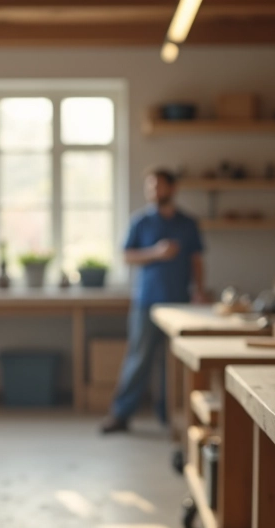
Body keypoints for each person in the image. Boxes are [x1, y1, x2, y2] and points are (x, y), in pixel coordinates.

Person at [101, 168, 206, 434]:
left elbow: (197, 260)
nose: (153, 192)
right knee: (139, 359)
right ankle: (121, 414)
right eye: (150, 187)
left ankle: (169, 415)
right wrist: (156, 253)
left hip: (180, 303)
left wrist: (200, 290)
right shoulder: (141, 222)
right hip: (146, 302)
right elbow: (127, 256)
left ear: (172, 188)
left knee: (173, 364)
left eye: (158, 186)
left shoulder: (187, 224)